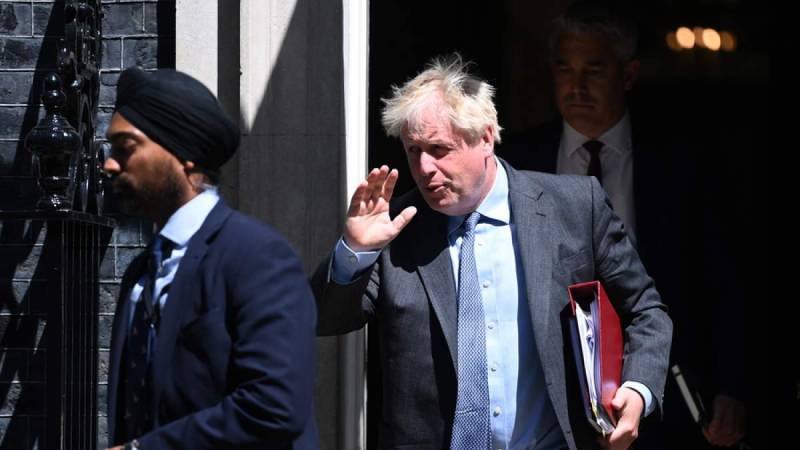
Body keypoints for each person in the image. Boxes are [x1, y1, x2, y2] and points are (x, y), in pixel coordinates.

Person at [312, 55, 672, 450]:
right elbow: (322, 318)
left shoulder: (572, 207)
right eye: (414, 151)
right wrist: (355, 250)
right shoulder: (396, 226)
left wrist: (637, 389)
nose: (425, 167)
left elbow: (645, 310)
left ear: (485, 137)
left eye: (439, 148)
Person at [498, 3, 747, 448]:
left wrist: (731, 386)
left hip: (667, 389)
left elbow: (720, 279)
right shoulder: (517, 163)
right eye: (564, 68)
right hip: (547, 393)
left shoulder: (680, 163)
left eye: (593, 71)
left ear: (628, 75)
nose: (576, 86)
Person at [102, 68, 319, 450]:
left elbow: (274, 405)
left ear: (184, 155)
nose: (110, 164)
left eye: (126, 147)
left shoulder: (256, 256)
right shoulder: (141, 270)